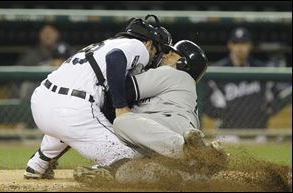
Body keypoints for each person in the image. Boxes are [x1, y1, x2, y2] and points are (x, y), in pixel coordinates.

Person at [23, 15, 173, 179]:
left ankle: (38, 163)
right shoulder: (138, 45)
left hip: (42, 101)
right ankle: (98, 172)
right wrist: (121, 107)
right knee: (135, 160)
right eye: (158, 50)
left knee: (68, 126)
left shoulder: (106, 44)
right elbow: (115, 58)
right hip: (72, 109)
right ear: (149, 43)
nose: (156, 55)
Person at [73, 40, 228, 184]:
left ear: (183, 64)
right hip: (166, 133)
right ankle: (189, 176)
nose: (165, 55)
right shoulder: (180, 83)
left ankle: (189, 152)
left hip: (168, 126)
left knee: (122, 121)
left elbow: (125, 89)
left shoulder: (174, 74)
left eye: (172, 54)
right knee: (136, 170)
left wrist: (135, 60)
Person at [204, 27, 287, 142]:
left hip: (258, 132)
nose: (240, 47)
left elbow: (277, 96)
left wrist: (267, 111)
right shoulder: (217, 71)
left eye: (243, 43)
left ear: (250, 45)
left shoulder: (261, 70)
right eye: (236, 43)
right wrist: (223, 114)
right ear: (230, 45)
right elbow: (205, 102)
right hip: (227, 133)